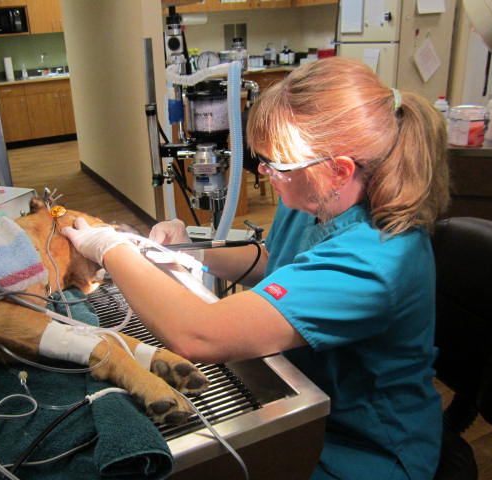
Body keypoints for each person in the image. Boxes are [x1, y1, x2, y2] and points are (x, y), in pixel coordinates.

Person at [61, 57, 450, 479]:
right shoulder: (313, 201)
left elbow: (197, 335)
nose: (264, 172)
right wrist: (195, 252)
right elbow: (277, 263)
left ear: (339, 170)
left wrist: (111, 248)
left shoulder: (376, 260)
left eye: (276, 165)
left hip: (364, 444)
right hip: (316, 405)